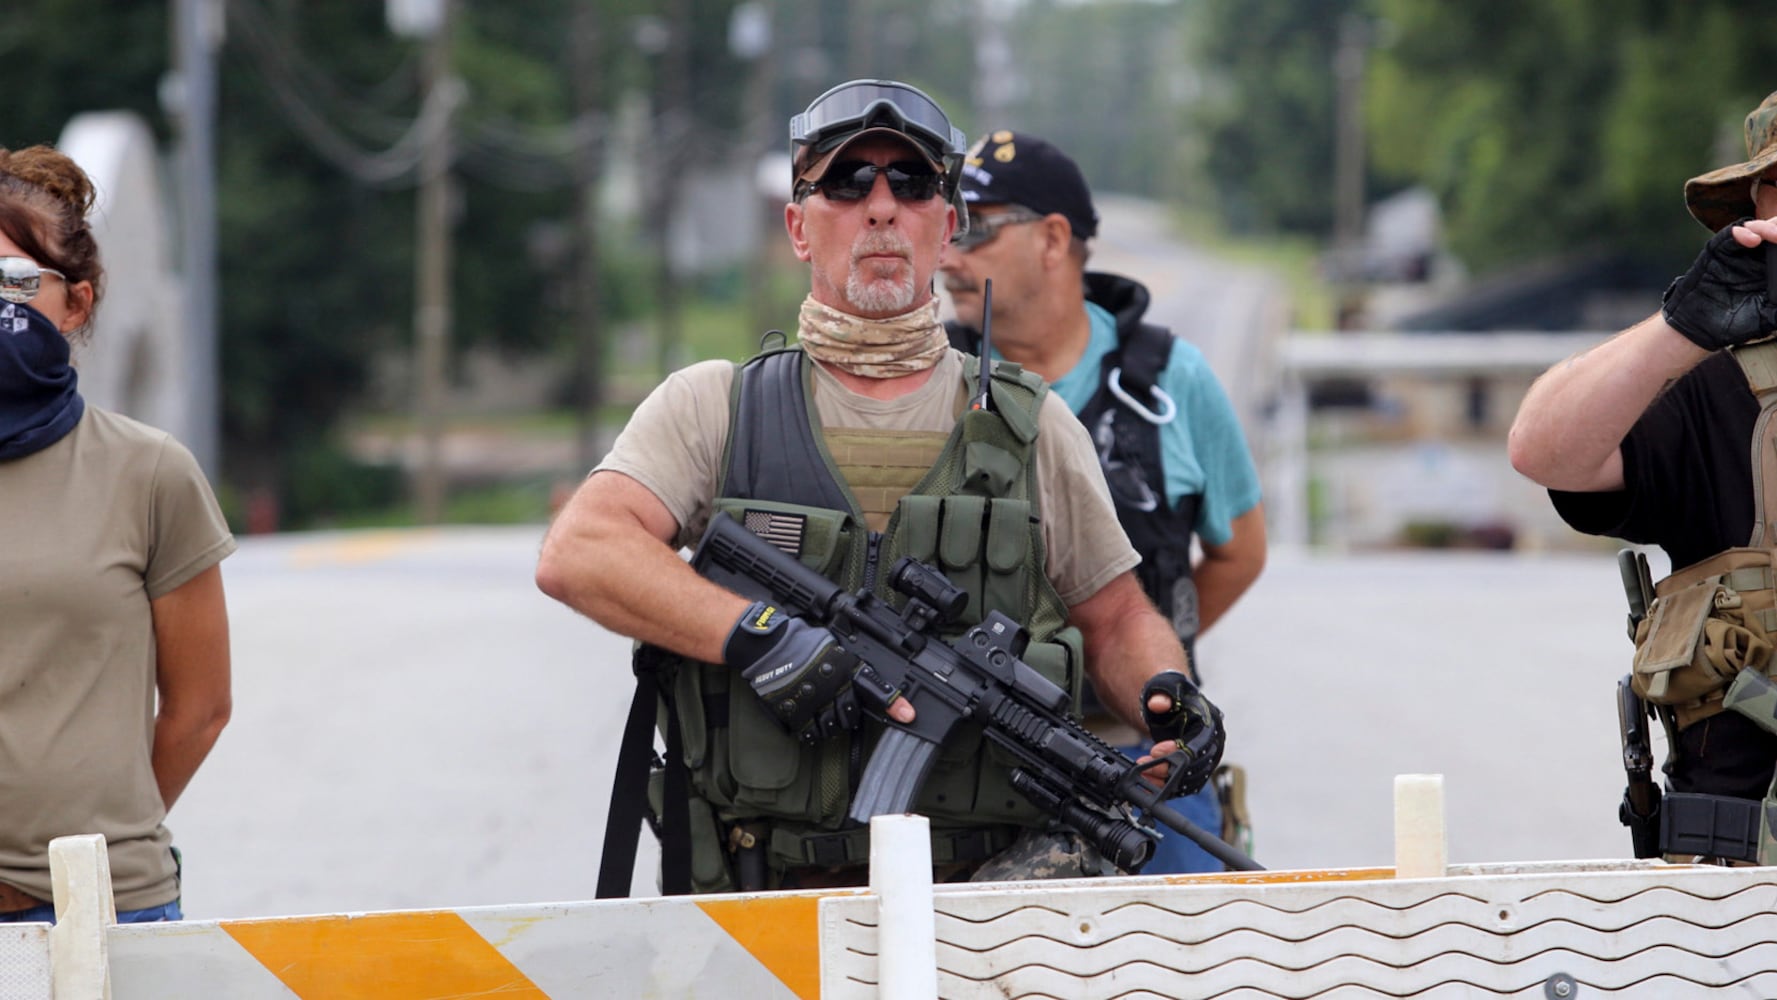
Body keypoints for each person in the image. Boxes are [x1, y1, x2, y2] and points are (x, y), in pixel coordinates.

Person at [536, 80, 1223, 893]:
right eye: (845, 181)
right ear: (798, 225)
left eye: (913, 183)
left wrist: (1166, 695)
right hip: (761, 903)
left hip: (978, 908)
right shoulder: (715, 405)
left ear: (947, 227)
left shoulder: (1031, 425)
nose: (881, 206)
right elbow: (580, 549)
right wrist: (759, 634)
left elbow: (1114, 620)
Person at [938, 131, 1266, 872]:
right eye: (945, 227)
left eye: (975, 229)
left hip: (1143, 764)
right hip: (972, 761)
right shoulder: (933, 381)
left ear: (1053, 239)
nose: (946, 253)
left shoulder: (1172, 383)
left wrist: (1136, 672)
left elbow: (1239, 552)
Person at [1508, 91, 1777, 864]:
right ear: (1757, 209)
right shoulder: (1713, 388)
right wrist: (1680, 327)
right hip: (1739, 880)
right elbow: (1543, 450)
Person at [0, 145, 234, 921]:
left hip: (106, 914)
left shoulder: (149, 473)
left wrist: (101, 840)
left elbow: (200, 708)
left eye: (16, 281)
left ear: (79, 303)